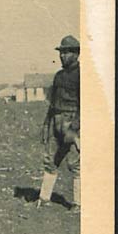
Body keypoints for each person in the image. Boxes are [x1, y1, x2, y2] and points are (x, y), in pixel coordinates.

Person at [37, 35, 81, 212]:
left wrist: (74, 128)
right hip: (56, 121)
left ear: (76, 54)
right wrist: (46, 126)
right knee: (50, 160)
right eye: (61, 52)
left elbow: (85, 105)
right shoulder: (59, 76)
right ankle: (44, 198)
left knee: (75, 163)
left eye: (66, 52)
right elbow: (52, 104)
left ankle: (79, 203)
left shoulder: (81, 75)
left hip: (72, 122)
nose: (62, 56)